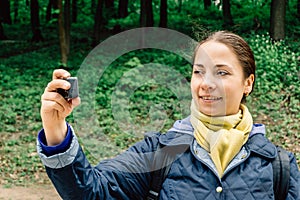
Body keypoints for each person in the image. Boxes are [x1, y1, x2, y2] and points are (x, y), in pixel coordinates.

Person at [37, 31, 299, 200]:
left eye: (222, 72)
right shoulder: (159, 154)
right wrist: (55, 127)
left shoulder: (280, 168)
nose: (206, 83)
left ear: (248, 83)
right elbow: (90, 192)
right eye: (199, 71)